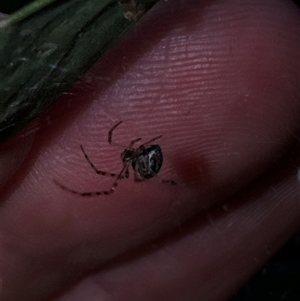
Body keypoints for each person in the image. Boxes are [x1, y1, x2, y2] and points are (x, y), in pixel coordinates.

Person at [2, 0, 299, 300]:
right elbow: (111, 175)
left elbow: (114, 152)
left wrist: (129, 150)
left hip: (150, 157)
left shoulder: (131, 154)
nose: (123, 155)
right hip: (149, 158)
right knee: (111, 182)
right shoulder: (131, 158)